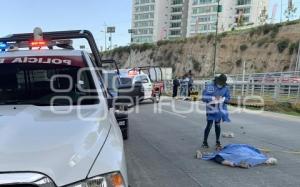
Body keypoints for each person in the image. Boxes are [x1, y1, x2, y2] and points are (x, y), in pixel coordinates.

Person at [201, 74, 231, 150]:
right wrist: (213, 98)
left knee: (217, 125)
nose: (220, 85)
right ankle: (205, 142)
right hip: (211, 108)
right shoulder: (210, 86)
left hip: (220, 109)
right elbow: (204, 97)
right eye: (220, 83)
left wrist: (223, 99)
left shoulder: (226, 88)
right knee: (209, 124)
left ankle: (217, 141)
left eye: (222, 84)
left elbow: (228, 98)